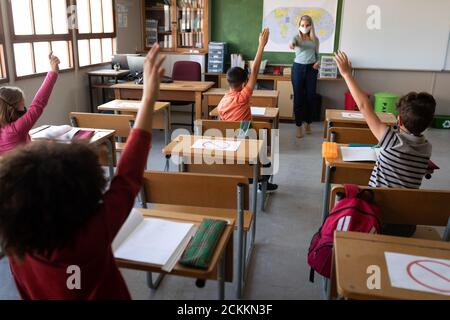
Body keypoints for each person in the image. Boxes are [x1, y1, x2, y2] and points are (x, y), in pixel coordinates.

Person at [0, 44, 166, 300]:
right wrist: (148, 98)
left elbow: (126, 179)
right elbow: (128, 177)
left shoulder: (18, 248)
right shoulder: (93, 232)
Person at [334, 50, 436, 236]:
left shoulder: (390, 140)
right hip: (406, 225)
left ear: (399, 121)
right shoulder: (427, 148)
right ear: (428, 124)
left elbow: (364, 105)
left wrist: (346, 73)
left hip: (376, 219)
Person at [218, 28, 278, 193]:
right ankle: (259, 182)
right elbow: (256, 70)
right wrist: (261, 46)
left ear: (228, 83)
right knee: (266, 161)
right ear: (244, 84)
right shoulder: (242, 97)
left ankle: (245, 176)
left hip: (229, 145)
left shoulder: (222, 103)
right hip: (246, 145)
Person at [0, 53, 60, 155]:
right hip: (22, 169)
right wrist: (53, 72)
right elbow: (39, 103)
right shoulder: (16, 129)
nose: (24, 108)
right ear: (12, 109)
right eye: (22, 105)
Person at [289, 15, 320, 139]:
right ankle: (298, 126)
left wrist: (318, 62)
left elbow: (317, 54)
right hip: (298, 68)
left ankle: (308, 123)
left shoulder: (315, 40)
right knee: (298, 98)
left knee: (311, 97)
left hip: (311, 69)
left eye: (307, 25)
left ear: (311, 26)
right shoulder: (296, 38)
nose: (305, 27)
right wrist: (291, 45)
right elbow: (292, 44)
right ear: (299, 26)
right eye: (302, 25)